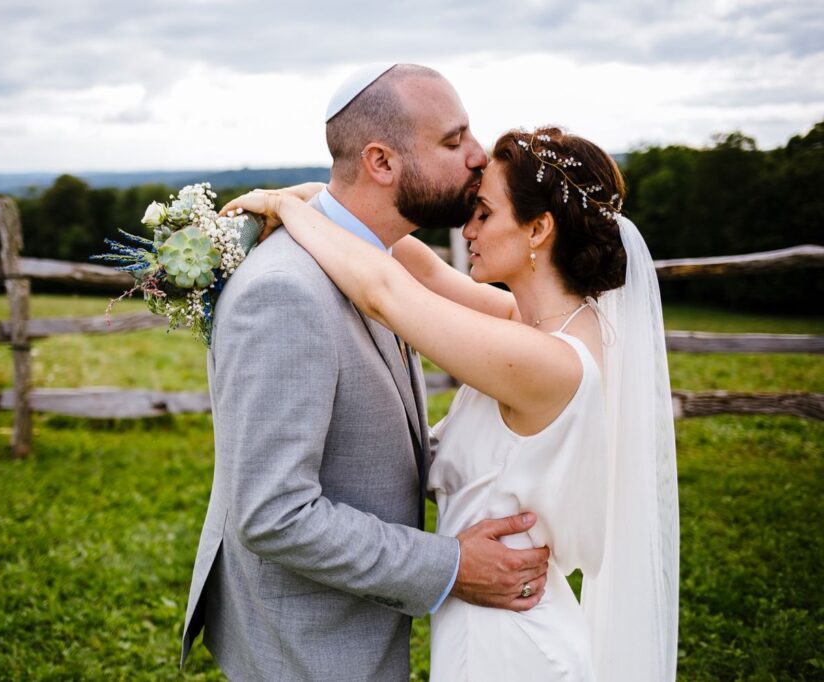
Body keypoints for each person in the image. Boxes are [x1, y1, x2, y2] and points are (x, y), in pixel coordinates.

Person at [225, 126, 679, 680]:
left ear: (538, 228)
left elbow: (385, 292)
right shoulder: (541, 325)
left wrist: (280, 207)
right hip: (498, 618)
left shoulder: (548, 363)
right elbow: (414, 263)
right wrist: (313, 197)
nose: (467, 230)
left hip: (509, 642)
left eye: (484, 213)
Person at [180, 64, 555, 680]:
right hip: (307, 649)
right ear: (381, 163)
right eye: (453, 140)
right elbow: (274, 514)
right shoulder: (286, 292)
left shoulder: (372, 267)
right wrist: (451, 565)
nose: (478, 156)